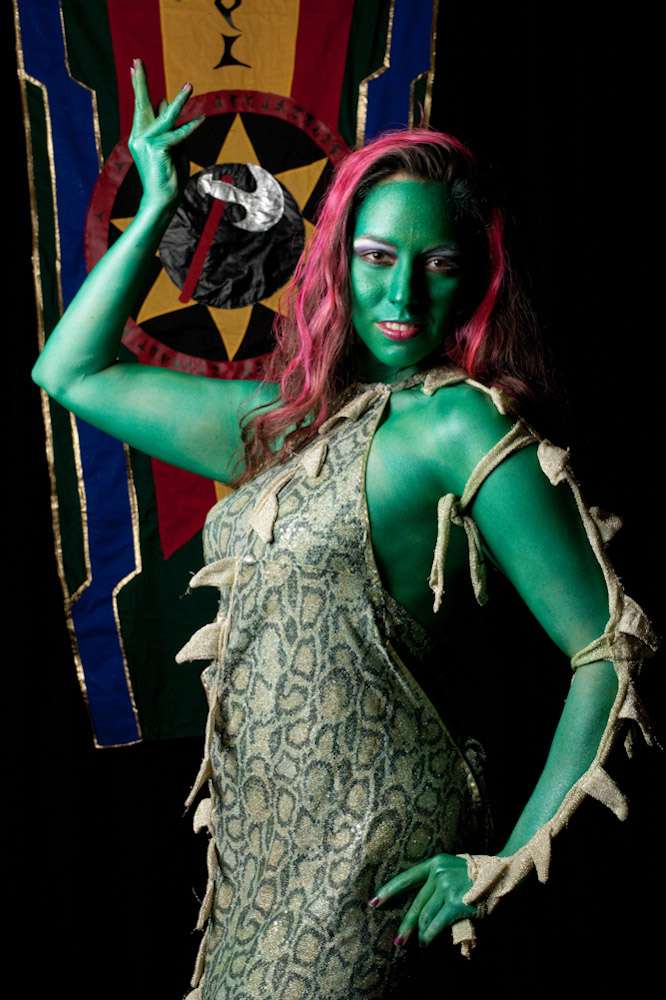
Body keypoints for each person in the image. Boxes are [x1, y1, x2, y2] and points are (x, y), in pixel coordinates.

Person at [31, 59, 659, 998]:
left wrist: (505, 863)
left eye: (437, 264)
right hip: (257, 864)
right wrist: (157, 203)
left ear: (472, 276)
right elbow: (71, 371)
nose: (403, 296)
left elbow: (610, 644)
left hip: (376, 848)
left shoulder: (460, 422)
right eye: (376, 258)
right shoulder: (289, 427)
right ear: (337, 261)